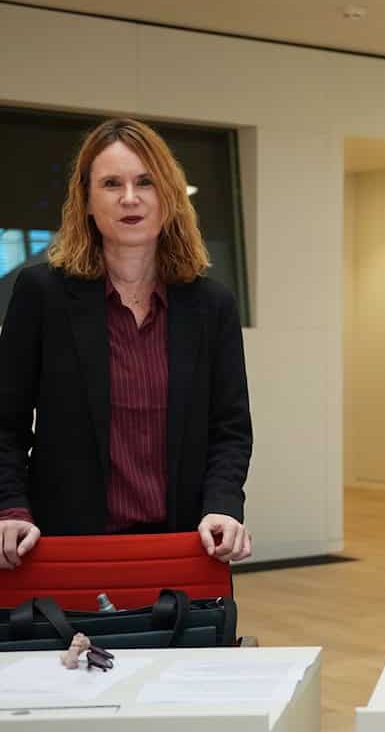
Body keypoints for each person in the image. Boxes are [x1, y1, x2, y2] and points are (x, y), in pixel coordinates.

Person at [0, 118, 253, 568]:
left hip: (184, 547)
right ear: (87, 201)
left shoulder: (211, 304)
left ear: (169, 197)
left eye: (146, 182)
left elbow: (229, 431)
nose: (130, 198)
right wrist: (11, 508)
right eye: (112, 183)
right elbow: (5, 424)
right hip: (67, 547)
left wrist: (224, 506)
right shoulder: (42, 293)